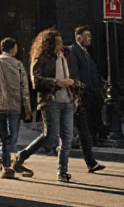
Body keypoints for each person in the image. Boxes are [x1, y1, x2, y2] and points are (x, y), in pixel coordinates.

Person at [13, 28, 79, 182]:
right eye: (57, 42)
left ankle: (62, 170)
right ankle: (22, 155)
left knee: (67, 137)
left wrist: (73, 90)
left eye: (61, 42)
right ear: (49, 44)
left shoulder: (63, 57)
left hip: (67, 100)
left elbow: (70, 75)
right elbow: (36, 81)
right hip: (51, 101)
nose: (61, 45)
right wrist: (56, 82)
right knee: (50, 136)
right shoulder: (41, 58)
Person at [0, 37, 31, 179]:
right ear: (12, 48)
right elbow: (24, 87)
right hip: (14, 104)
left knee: (2, 136)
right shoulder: (18, 64)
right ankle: (8, 163)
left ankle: (4, 161)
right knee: (12, 136)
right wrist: (27, 106)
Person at [67, 26, 106, 173]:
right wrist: (79, 94)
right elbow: (74, 74)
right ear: (78, 37)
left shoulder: (86, 53)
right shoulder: (73, 51)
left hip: (90, 95)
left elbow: (92, 73)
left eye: (90, 35)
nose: (89, 38)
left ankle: (91, 162)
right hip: (81, 96)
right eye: (86, 36)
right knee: (82, 129)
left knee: (85, 130)